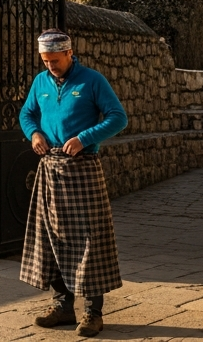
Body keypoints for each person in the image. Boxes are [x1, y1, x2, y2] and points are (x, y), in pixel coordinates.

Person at [18, 28, 128, 337]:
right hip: (49, 168)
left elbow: (118, 117)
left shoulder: (92, 81)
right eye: (45, 60)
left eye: (55, 60)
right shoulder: (40, 82)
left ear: (69, 53)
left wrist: (84, 138)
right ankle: (63, 306)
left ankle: (93, 312)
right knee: (51, 238)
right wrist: (34, 133)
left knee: (89, 241)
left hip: (83, 168)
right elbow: (27, 114)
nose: (50, 66)